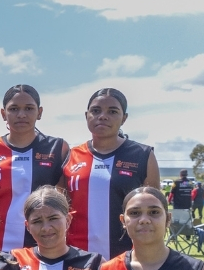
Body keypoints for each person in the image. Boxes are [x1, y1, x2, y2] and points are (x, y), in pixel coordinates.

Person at [62, 88, 161, 259]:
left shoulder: (143, 155)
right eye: (96, 111)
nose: (103, 116)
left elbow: (155, 211)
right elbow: (59, 210)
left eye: (112, 111)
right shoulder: (71, 156)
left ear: (124, 118)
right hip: (76, 258)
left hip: (127, 257)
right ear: (87, 115)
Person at [0, 85, 69, 252]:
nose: (21, 114)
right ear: (3, 114)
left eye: (29, 108)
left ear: (40, 112)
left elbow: (67, 196)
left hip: (44, 244)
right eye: (14, 109)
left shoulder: (57, 148)